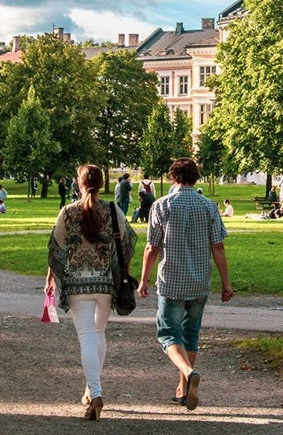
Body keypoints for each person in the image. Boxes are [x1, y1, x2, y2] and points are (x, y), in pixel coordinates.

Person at [137, 158, 232, 411]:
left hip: (171, 282)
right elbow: (218, 246)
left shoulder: (161, 205)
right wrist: (226, 283)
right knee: (190, 335)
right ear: (196, 178)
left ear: (172, 178)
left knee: (168, 334)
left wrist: (144, 279)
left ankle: (188, 373)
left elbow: (152, 247)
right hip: (199, 281)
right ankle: (182, 389)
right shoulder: (209, 206)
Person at [45, 163, 135, 421]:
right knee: (98, 334)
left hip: (76, 285)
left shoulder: (67, 211)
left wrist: (51, 278)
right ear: (102, 182)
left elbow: (55, 249)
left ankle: (95, 393)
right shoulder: (113, 209)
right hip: (106, 285)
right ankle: (90, 389)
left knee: (86, 338)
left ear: (79, 183)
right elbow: (128, 243)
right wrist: (122, 274)